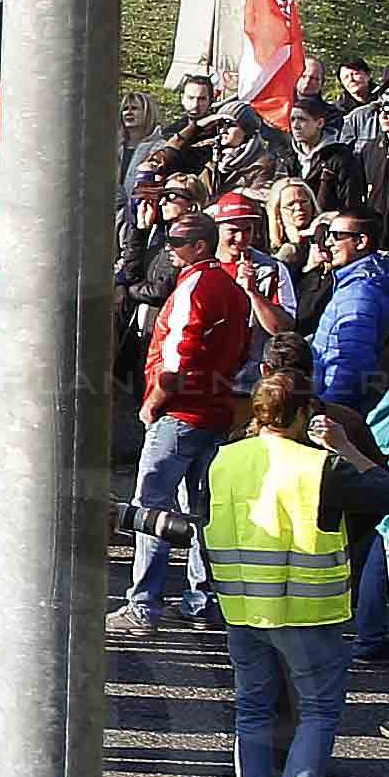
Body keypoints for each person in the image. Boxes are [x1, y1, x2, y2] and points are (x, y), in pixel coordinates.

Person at [209, 350, 389, 777]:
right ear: (300, 416)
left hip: (243, 605)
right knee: (317, 714)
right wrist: (345, 448)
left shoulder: (224, 460)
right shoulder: (321, 466)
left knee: (250, 711)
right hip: (311, 611)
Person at [114, 199, 256, 630]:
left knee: (151, 509)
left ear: (198, 245)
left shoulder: (195, 287)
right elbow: (240, 351)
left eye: (176, 241)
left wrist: (153, 403)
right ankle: (201, 601)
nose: (170, 248)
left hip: (181, 414)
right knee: (200, 511)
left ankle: (143, 604)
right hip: (214, 411)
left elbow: (177, 359)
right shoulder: (232, 289)